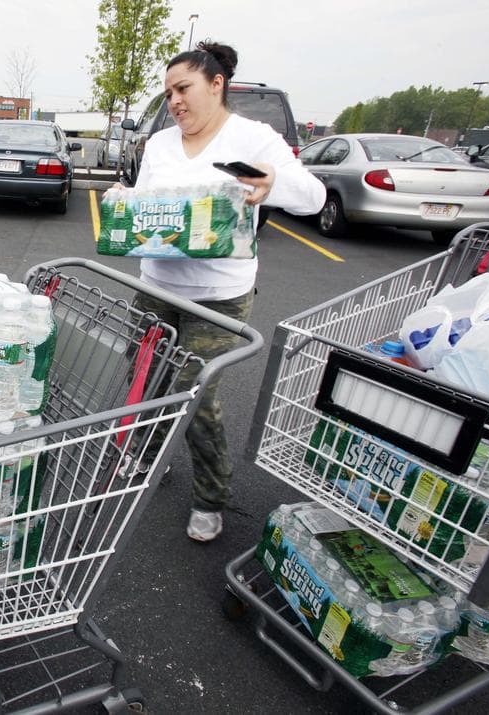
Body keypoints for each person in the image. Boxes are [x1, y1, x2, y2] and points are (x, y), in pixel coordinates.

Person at [131, 41, 325, 542]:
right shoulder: (160, 145)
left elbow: (312, 197)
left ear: (217, 84)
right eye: (168, 92)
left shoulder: (252, 138)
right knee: (148, 384)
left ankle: (210, 497)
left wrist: (271, 183)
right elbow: (148, 204)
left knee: (194, 394)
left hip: (218, 296)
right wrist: (124, 202)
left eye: (184, 89)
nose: (174, 101)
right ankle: (150, 462)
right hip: (157, 286)